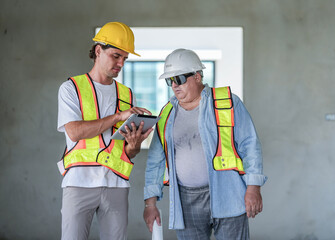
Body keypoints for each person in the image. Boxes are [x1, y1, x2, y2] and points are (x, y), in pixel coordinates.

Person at [143, 48, 267, 240]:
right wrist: (150, 204)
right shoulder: (166, 114)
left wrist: (253, 187)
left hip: (228, 192)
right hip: (186, 200)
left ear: (198, 76)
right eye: (170, 81)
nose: (175, 85)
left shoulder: (227, 103)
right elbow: (155, 161)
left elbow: (249, 145)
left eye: (180, 78)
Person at [57, 22, 153, 240]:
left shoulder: (127, 95)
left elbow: (127, 152)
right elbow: (74, 132)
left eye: (125, 59)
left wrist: (135, 143)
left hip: (116, 184)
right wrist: (118, 117)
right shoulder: (71, 88)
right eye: (116, 56)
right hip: (79, 182)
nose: (121, 63)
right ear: (98, 50)